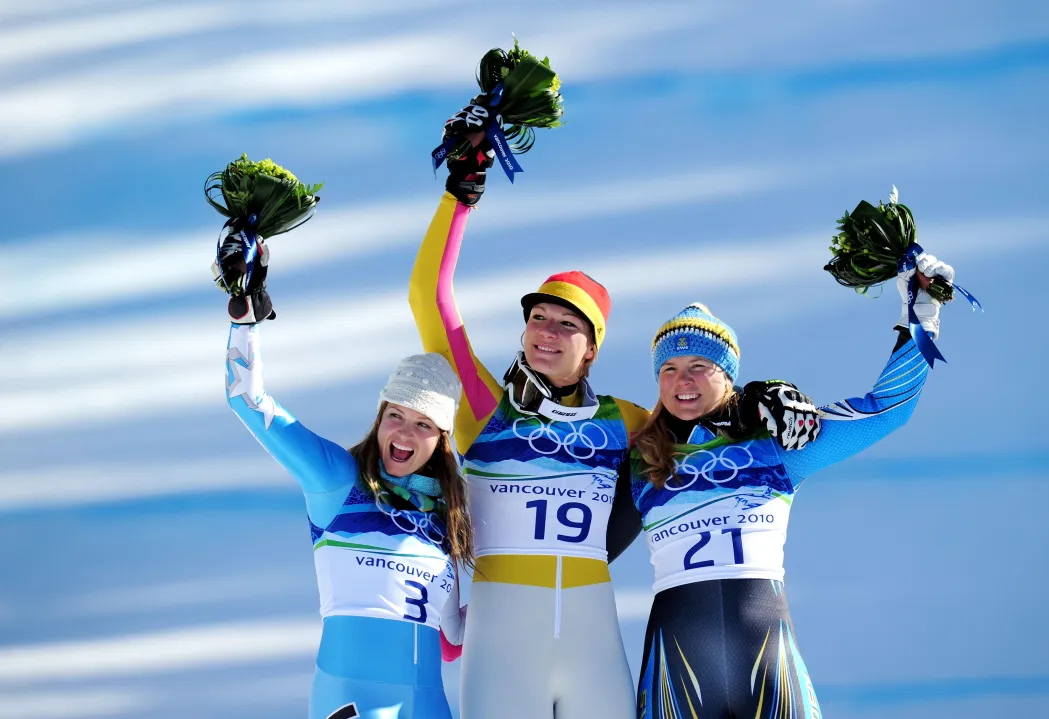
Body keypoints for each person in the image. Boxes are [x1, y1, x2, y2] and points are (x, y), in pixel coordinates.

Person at [410, 97, 816, 719]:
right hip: (501, 638)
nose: (545, 331)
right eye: (536, 318)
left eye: (565, 323)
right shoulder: (487, 409)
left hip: (590, 636)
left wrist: (756, 396)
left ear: (592, 347)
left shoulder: (624, 422)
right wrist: (459, 196)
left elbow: (703, 416)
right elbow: (430, 300)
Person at [606, 251, 957, 718]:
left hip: (767, 660)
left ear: (727, 374)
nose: (681, 380)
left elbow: (887, 409)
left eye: (699, 366)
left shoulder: (779, 441)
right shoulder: (643, 459)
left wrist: (921, 316)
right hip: (677, 664)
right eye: (668, 369)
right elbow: (579, 544)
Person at [219, 233, 472, 719]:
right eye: (395, 415)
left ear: (441, 440)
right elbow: (247, 401)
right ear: (379, 416)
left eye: (423, 425)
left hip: (429, 705)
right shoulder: (339, 480)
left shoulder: (442, 514)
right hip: (354, 698)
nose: (403, 433)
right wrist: (246, 322)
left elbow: (452, 640)